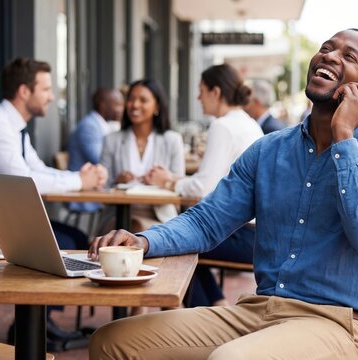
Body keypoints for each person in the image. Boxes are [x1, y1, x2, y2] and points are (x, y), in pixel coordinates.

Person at [88, 28, 358, 359]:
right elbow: (208, 221)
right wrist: (143, 241)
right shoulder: (269, 150)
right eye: (326, 48)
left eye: (348, 56)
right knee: (112, 340)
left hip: (339, 326)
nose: (330, 56)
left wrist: (344, 137)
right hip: (258, 312)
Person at [0, 57, 107, 348]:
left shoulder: (14, 126)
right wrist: (80, 182)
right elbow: (24, 182)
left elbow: (38, 169)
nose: (52, 96)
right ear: (24, 91)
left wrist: (78, 176)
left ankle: (40, 323)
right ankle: (28, 330)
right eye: (46, 89)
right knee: (55, 243)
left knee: (77, 237)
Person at [144, 64, 264, 307]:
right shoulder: (248, 123)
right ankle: (216, 307)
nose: (198, 98)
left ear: (215, 92)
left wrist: (167, 181)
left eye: (201, 91)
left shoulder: (223, 126)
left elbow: (202, 189)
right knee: (186, 243)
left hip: (242, 235)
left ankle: (196, 318)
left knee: (176, 244)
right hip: (258, 234)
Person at [99, 79, 185, 232]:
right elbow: (100, 186)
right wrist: (116, 181)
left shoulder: (172, 140)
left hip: (159, 216)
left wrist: (163, 180)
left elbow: (180, 186)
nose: (135, 105)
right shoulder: (111, 140)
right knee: (126, 229)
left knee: (135, 229)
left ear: (157, 106)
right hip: (118, 215)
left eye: (143, 100)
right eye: (131, 99)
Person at [67, 88, 124, 213]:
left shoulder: (101, 125)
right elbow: (102, 161)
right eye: (118, 104)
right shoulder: (89, 127)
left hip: (97, 190)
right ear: (103, 105)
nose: (122, 109)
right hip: (85, 194)